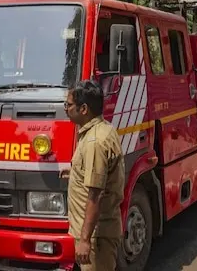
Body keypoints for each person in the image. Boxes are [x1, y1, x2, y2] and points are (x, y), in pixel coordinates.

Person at [60, 80, 124, 270]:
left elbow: (95, 195)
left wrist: (85, 241)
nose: (66, 109)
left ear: (84, 109)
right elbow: (102, 173)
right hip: (97, 233)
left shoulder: (94, 142)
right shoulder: (104, 129)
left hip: (96, 237)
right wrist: (75, 173)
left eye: (69, 105)